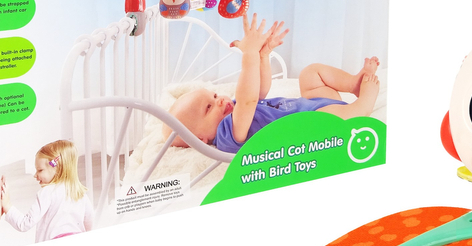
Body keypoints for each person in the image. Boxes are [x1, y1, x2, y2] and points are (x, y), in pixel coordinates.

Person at [163, 12, 380, 154]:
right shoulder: (227, 135)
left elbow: (259, 90)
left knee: (310, 73)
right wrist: (249, 54)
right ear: (200, 139)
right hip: (312, 120)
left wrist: (263, 55)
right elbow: (248, 101)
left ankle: (353, 84)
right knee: (328, 122)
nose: (219, 100)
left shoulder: (236, 109)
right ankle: (363, 105)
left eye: (214, 95)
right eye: (209, 107)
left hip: (308, 104)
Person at [1, 140, 93, 242]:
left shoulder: (47, 192)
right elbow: (89, 222)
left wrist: (8, 206)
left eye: (40, 170)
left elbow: (25, 224)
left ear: (58, 169)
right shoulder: (81, 193)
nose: (35, 175)